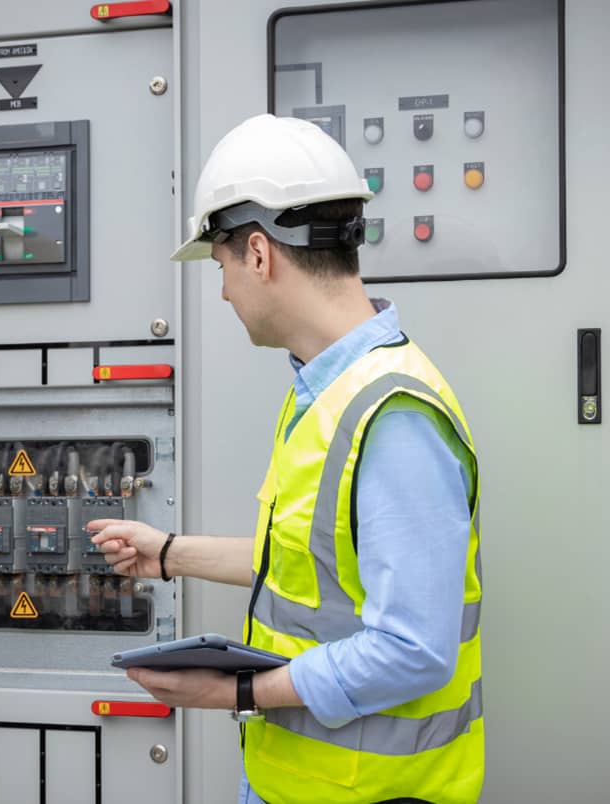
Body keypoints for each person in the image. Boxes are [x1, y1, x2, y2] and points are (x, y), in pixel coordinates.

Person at [91, 114, 484, 804]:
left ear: (260, 254)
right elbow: (316, 561)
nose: (222, 292)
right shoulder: (327, 390)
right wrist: (169, 553)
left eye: (220, 266)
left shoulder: (391, 416)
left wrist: (239, 690)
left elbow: (414, 650)